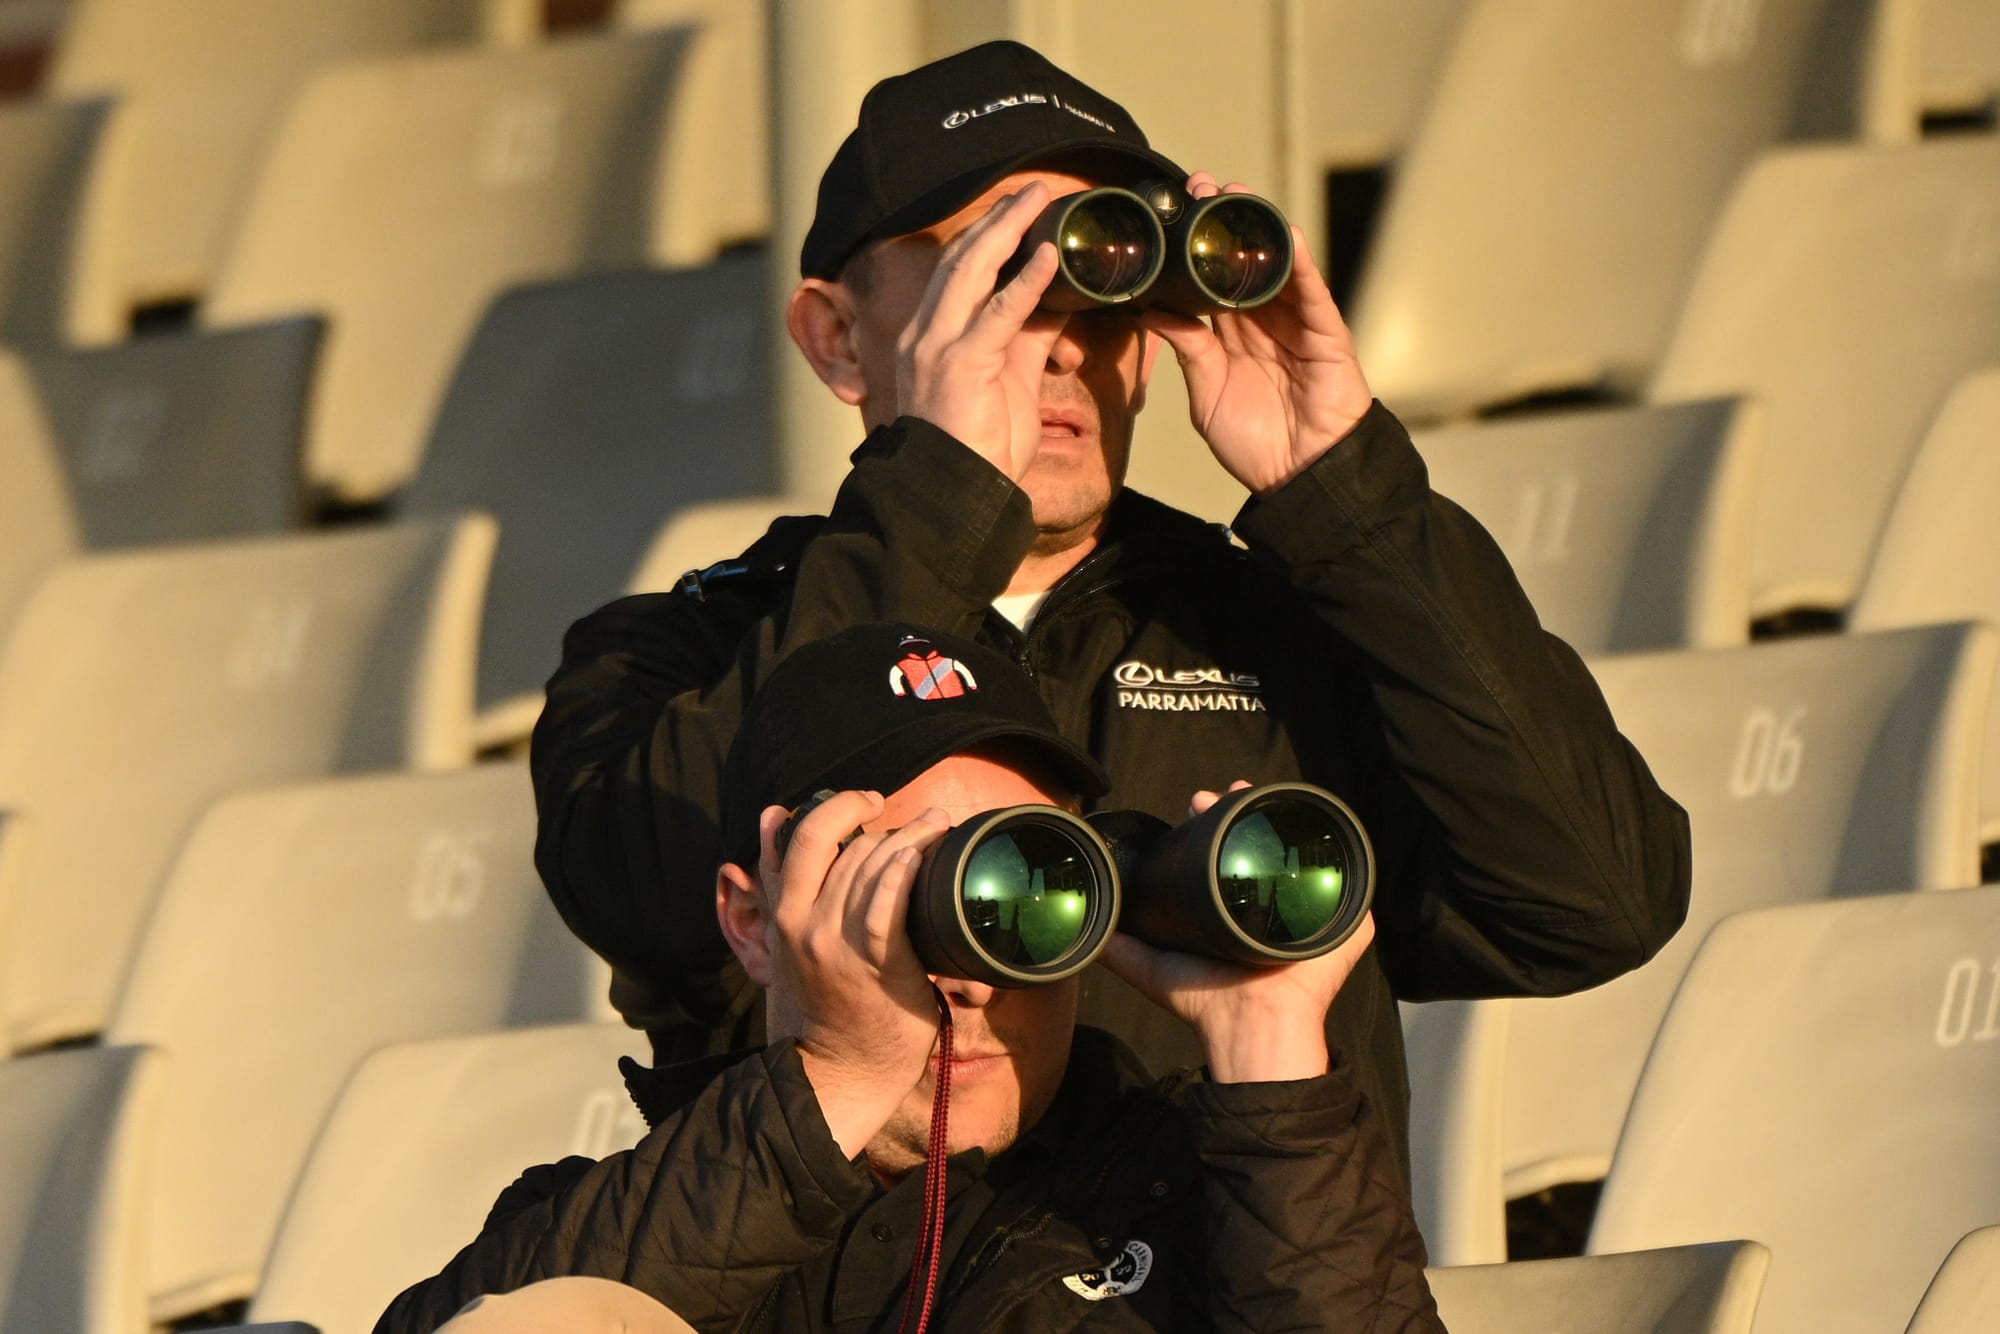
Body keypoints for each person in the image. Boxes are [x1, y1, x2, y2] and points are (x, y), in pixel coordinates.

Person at [531, 39, 1692, 1170]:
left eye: (1095, 280)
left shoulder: (1289, 621)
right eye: (986, 276)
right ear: (837, 338)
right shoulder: (682, 650)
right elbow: (650, 895)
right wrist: (934, 501)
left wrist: (1350, 502)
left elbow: (1595, 903)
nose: (1054, 342)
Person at [379, 624, 1444, 1333]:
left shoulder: (1214, 1192)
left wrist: (1269, 1064)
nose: (973, 975)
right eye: (905, 894)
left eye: (1025, 891)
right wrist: (839, 1077)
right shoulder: (619, 1220)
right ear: (755, 921)